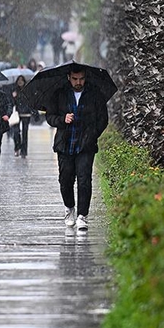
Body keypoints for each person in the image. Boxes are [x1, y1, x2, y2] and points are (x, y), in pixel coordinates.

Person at [44, 64, 109, 231]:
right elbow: (50, 117)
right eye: (75, 79)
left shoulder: (95, 94)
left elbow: (103, 119)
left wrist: (92, 134)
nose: (78, 82)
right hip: (65, 143)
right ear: (69, 77)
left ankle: (82, 215)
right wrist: (62, 119)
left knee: (84, 179)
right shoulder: (59, 94)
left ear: (85, 77)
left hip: (85, 144)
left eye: (81, 79)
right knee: (65, 180)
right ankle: (69, 208)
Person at [10, 75, 34, 158]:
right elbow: (12, 103)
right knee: (16, 132)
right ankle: (17, 147)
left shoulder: (28, 90)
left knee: (25, 133)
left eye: (22, 80)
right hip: (17, 114)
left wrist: (33, 112)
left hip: (26, 114)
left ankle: (24, 151)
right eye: (19, 80)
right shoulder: (15, 90)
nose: (20, 82)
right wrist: (14, 97)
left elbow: (31, 101)